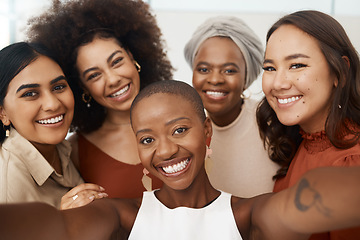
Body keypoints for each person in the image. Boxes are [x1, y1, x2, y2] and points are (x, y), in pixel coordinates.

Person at [1, 80, 360, 240]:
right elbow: (54, 228)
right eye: (147, 139)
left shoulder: (249, 217)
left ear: (206, 133)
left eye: (178, 130)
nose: (166, 151)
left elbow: (312, 200)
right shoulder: (118, 217)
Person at [27, 0, 173, 204]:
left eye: (117, 61)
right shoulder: (76, 150)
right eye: (94, 75)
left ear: (132, 57)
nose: (113, 80)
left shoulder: (183, 120)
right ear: (83, 87)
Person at [257, 10, 360, 239]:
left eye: (297, 65)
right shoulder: (301, 141)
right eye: (270, 68)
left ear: (340, 72)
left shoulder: (350, 164)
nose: (279, 83)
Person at [184, 16, 279, 197]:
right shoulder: (181, 130)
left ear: (246, 77)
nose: (215, 79)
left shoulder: (273, 122)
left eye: (229, 70)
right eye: (204, 69)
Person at [0, 42, 87, 208]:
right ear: (2, 113)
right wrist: (62, 220)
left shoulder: (63, 148)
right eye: (30, 93)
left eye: (59, 87)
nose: (52, 104)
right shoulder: (6, 181)